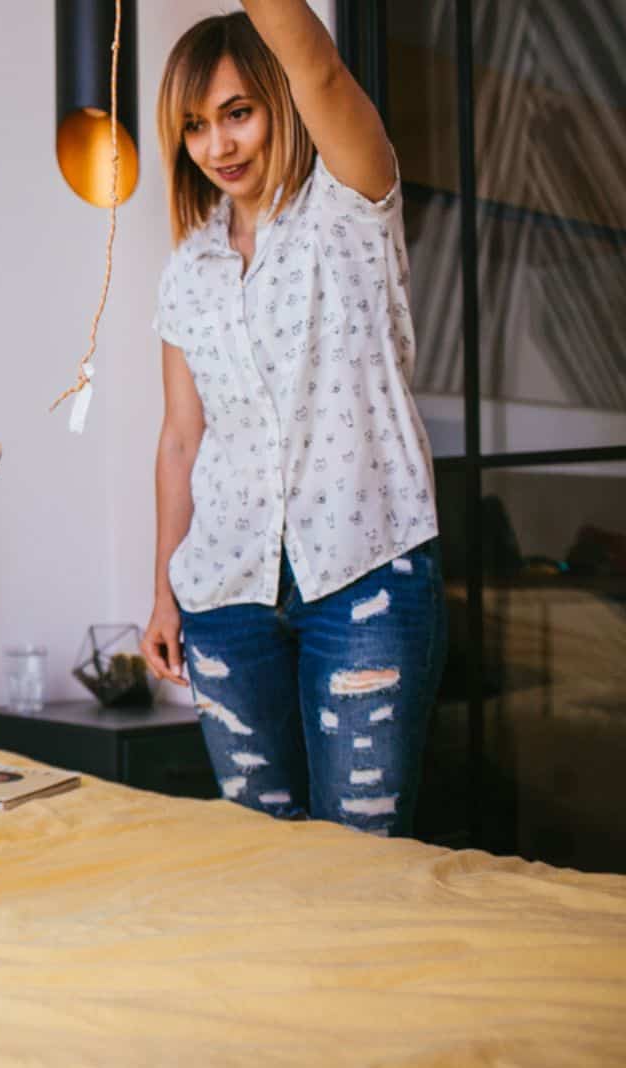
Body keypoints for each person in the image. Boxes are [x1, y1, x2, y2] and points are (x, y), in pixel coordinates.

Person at [139, 2, 446, 837]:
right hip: (223, 596)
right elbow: (179, 438)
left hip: (365, 578)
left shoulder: (350, 203)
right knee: (262, 864)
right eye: (197, 126)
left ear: (277, 101)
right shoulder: (186, 271)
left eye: (238, 113)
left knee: (360, 857)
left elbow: (321, 70)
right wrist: (162, 592)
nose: (219, 146)